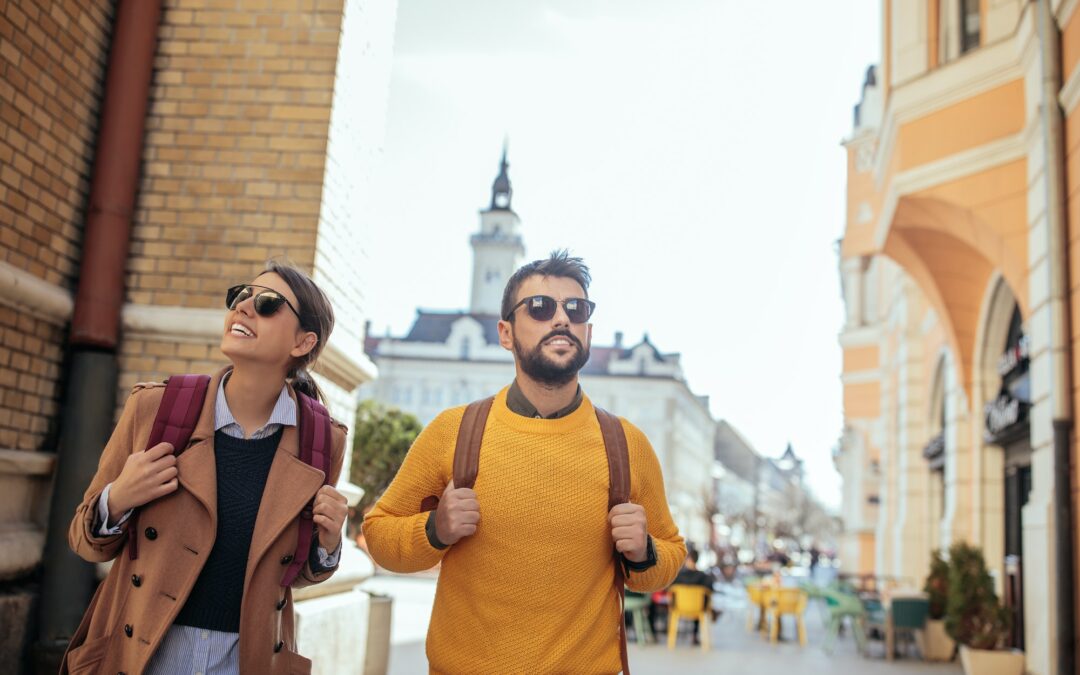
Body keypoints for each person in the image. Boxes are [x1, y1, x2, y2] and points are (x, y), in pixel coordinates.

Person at [363, 250, 686, 674]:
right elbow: (379, 533)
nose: (561, 319)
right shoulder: (455, 430)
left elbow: (670, 556)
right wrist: (435, 529)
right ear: (506, 333)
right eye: (540, 307)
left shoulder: (626, 444)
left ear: (588, 330)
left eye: (577, 309)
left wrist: (643, 552)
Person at [62, 261, 350, 675]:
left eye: (268, 304)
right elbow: (84, 542)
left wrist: (329, 542)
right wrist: (118, 498)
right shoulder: (155, 409)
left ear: (303, 342)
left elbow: (295, 574)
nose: (245, 307)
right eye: (241, 296)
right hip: (141, 654)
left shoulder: (322, 441)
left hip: (245, 661)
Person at [671, 547, 719, 644]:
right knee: (700, 601)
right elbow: (711, 590)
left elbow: (669, 588)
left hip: (678, 607)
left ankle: (672, 635)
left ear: (687, 559)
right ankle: (694, 635)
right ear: (697, 560)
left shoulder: (678, 575)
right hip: (698, 608)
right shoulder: (704, 577)